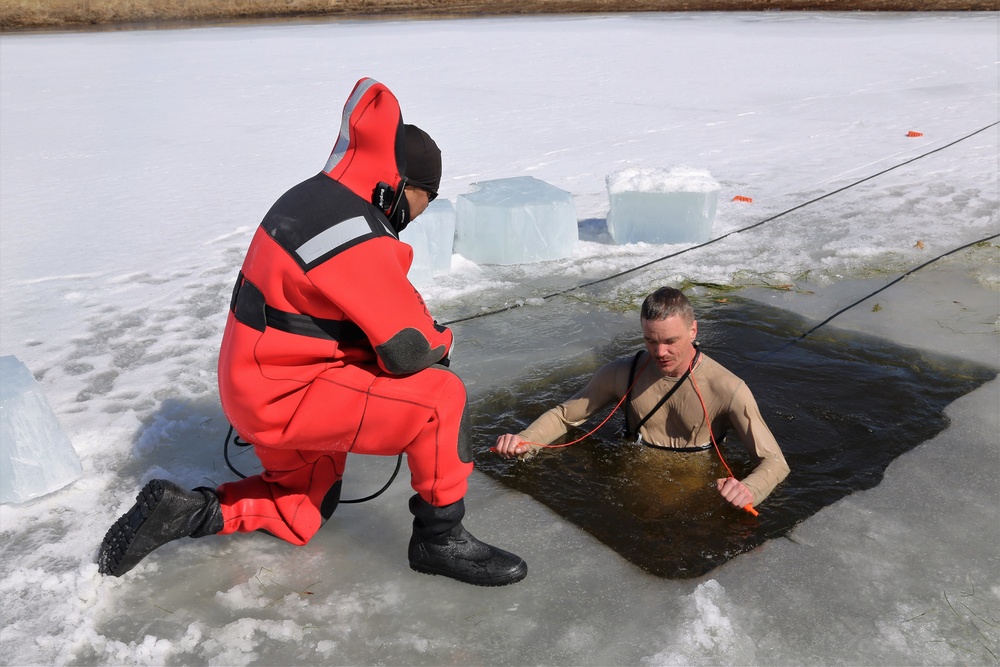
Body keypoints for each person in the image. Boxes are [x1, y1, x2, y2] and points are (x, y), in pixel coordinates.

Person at [98, 77, 527, 587]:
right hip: (288, 393)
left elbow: (355, 301)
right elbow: (409, 349)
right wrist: (442, 341)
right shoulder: (356, 229)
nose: (419, 214)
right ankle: (440, 539)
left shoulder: (315, 198)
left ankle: (185, 512)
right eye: (426, 199)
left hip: (258, 382)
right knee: (441, 398)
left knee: (301, 511)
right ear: (407, 186)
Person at [494, 286, 789, 511]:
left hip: (696, 493)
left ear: (693, 330)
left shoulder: (728, 389)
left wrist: (748, 489)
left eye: (670, 341)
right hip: (629, 487)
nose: (660, 353)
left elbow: (775, 462)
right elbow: (563, 415)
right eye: (651, 341)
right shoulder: (621, 373)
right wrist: (525, 440)